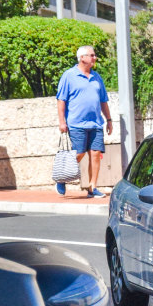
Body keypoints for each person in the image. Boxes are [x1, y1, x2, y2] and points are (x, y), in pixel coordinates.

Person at [55, 45, 113, 197]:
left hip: (95, 124)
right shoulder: (69, 75)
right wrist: (62, 122)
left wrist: (109, 119)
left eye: (94, 55)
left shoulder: (97, 77)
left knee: (95, 154)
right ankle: (61, 179)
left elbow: (103, 101)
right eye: (91, 55)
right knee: (79, 153)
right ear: (82, 58)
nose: (94, 58)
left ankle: (92, 188)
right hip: (76, 124)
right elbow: (61, 100)